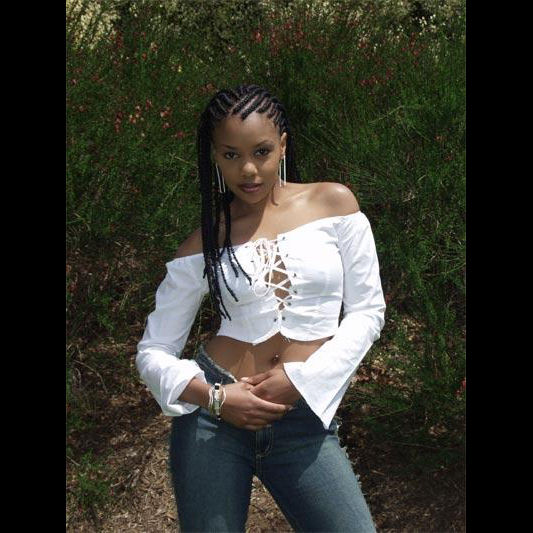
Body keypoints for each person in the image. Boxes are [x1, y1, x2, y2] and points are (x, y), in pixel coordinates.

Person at [135, 84, 386, 532]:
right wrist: (214, 397)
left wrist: (302, 380)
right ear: (215, 156)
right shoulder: (203, 242)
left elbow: (368, 311)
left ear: (283, 145)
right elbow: (152, 351)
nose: (248, 169)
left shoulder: (334, 205)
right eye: (231, 155)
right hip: (214, 419)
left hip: (304, 418)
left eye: (262, 151)